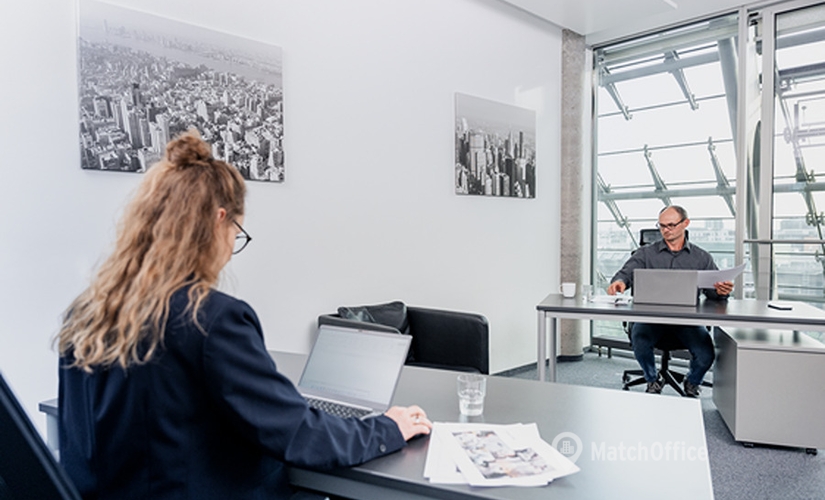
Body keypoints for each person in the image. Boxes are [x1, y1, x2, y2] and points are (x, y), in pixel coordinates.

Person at [56, 131, 433, 500]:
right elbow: (300, 435)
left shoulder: (88, 312)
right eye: (237, 229)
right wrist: (387, 428)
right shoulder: (211, 319)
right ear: (220, 220)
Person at [606, 205, 734, 397]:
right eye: (662, 225)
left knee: (706, 354)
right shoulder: (645, 254)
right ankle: (652, 379)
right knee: (639, 338)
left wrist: (722, 291)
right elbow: (625, 273)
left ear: (685, 224)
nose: (666, 230)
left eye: (671, 225)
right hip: (651, 320)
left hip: (686, 322)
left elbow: (713, 292)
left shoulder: (701, 258)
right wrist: (619, 282)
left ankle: (692, 382)